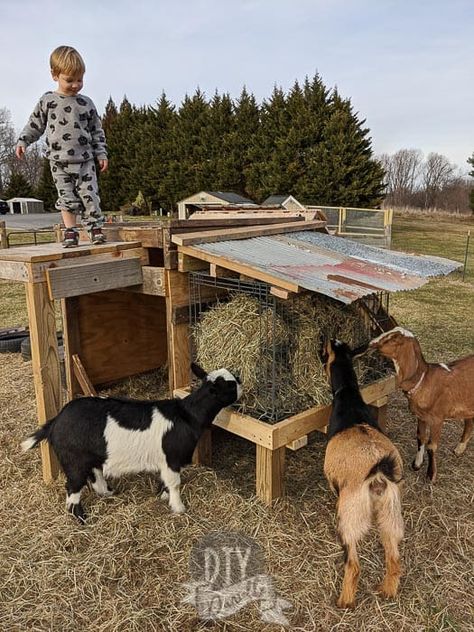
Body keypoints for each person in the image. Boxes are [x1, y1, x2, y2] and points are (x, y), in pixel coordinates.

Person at [16, 45, 108, 247]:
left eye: (80, 80)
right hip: (58, 161)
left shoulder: (86, 104)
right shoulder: (48, 101)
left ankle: (95, 229)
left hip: (85, 160)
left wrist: (101, 153)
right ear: (54, 75)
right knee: (66, 197)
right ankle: (70, 232)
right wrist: (24, 140)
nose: (76, 85)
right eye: (70, 80)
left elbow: (96, 131)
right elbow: (35, 124)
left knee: (90, 195)